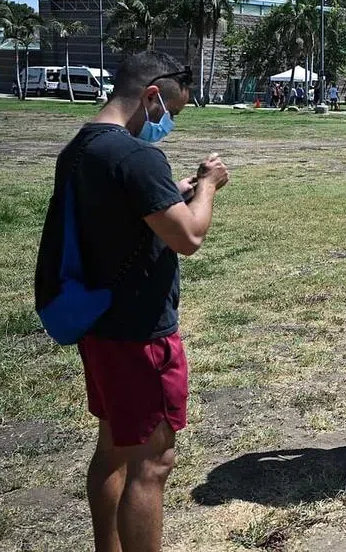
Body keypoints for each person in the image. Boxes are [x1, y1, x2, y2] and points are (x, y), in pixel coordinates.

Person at [35, 52, 229, 552]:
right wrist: (207, 187)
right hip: (140, 332)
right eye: (171, 113)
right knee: (152, 463)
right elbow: (188, 236)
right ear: (151, 96)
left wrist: (171, 191)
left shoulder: (80, 147)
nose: (167, 124)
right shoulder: (136, 157)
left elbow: (117, 212)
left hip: (99, 324)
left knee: (113, 450)